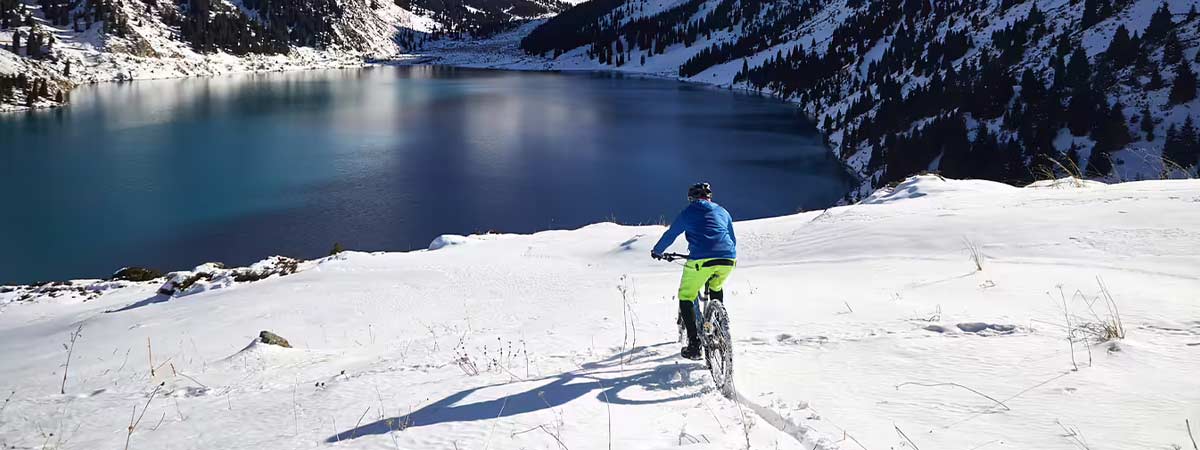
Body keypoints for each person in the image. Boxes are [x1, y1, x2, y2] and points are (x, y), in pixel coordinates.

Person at [650, 182, 737, 360]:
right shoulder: (723, 211)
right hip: (728, 259)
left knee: (686, 296)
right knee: (716, 286)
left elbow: (671, 234)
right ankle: (715, 327)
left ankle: (694, 343)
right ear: (709, 197)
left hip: (700, 260)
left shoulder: (688, 212)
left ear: (691, 199)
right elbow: (732, 239)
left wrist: (657, 251)